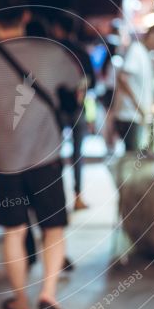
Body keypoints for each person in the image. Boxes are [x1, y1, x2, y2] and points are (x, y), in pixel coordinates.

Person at [0, 0, 81, 309]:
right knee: (54, 229)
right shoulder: (51, 52)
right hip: (47, 160)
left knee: (14, 232)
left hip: (6, 164)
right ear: (27, 15)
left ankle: (20, 300)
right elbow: (78, 87)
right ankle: (48, 293)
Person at [50, 13, 96, 210]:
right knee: (78, 154)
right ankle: (78, 196)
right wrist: (80, 91)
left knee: (53, 154)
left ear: (58, 28)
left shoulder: (52, 51)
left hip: (55, 109)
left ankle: (55, 197)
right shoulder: (81, 51)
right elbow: (91, 80)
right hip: (78, 107)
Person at [113, 24, 154, 152]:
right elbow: (122, 78)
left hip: (137, 116)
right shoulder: (136, 50)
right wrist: (139, 106)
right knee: (133, 157)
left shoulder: (144, 53)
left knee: (137, 156)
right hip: (130, 116)